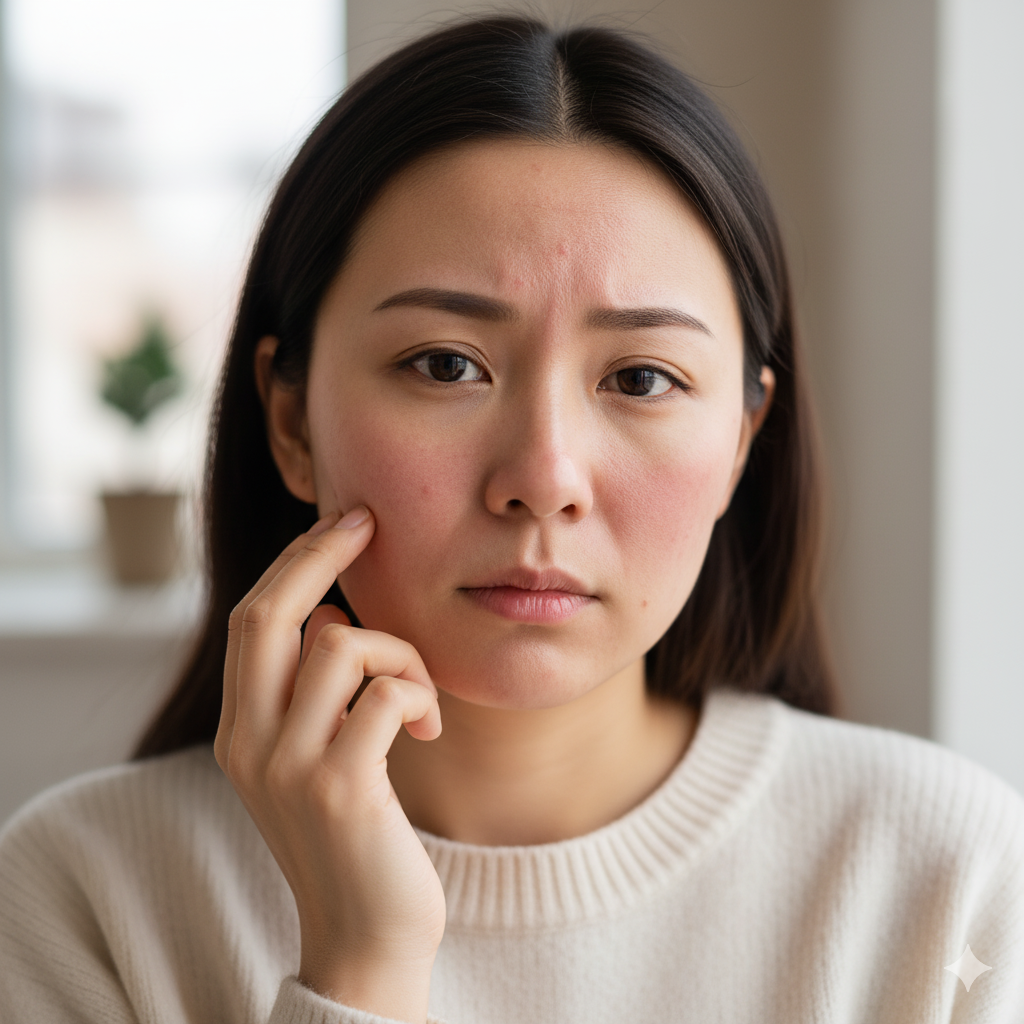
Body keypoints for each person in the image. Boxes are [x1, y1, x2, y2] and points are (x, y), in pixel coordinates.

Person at [1, 14, 1022, 1024]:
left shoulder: (947, 881)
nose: (543, 477)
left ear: (744, 438)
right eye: (445, 364)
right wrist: (361, 964)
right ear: (290, 418)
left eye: (640, 377)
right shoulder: (83, 897)